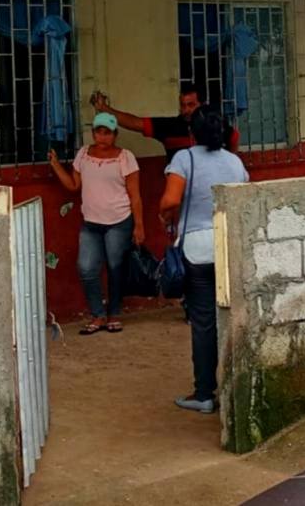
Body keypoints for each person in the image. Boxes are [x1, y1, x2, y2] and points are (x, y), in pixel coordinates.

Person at [160, 106, 248, 414]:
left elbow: (170, 200)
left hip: (197, 249)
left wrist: (166, 217)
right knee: (232, 318)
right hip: (229, 245)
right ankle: (237, 389)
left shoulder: (184, 159)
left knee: (203, 322)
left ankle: (204, 394)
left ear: (191, 133)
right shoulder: (235, 162)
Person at [48, 112, 145, 335]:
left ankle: (114, 314)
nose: (102, 137)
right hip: (91, 222)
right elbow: (74, 185)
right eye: (98, 132)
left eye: (107, 133)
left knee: (115, 268)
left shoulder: (125, 158)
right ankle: (97, 314)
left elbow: (135, 195)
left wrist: (139, 225)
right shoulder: (83, 154)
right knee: (86, 267)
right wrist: (56, 165)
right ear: (93, 133)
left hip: (119, 221)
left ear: (115, 135)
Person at [90, 83, 239, 161]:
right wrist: (104, 108)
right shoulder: (170, 127)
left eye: (191, 105)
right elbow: (135, 123)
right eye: (183, 105)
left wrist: (227, 161)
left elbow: (234, 137)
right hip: (181, 191)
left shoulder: (215, 125)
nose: (186, 110)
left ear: (202, 104)